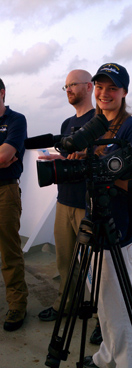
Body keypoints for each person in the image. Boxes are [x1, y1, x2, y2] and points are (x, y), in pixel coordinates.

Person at [82, 63, 132, 368]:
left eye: (112, 87)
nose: (104, 93)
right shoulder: (95, 125)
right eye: (100, 86)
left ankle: (128, 363)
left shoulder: (131, 129)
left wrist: (101, 168)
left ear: (124, 92)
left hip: (118, 231)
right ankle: (106, 357)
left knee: (119, 309)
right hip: (95, 226)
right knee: (104, 306)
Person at [38, 69, 95, 321]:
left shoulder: (100, 121)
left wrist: (83, 155)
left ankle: (100, 317)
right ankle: (67, 305)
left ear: (89, 87)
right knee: (65, 261)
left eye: (73, 84)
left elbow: (101, 158)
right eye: (66, 86)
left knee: (100, 265)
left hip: (89, 203)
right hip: (65, 201)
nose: (69, 89)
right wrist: (58, 159)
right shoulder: (66, 124)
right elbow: (67, 157)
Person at [0, 78, 28, 331]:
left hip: (5, 191)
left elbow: (5, 157)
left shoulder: (16, 120)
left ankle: (17, 305)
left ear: (2, 93)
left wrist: (4, 157)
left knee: (9, 250)